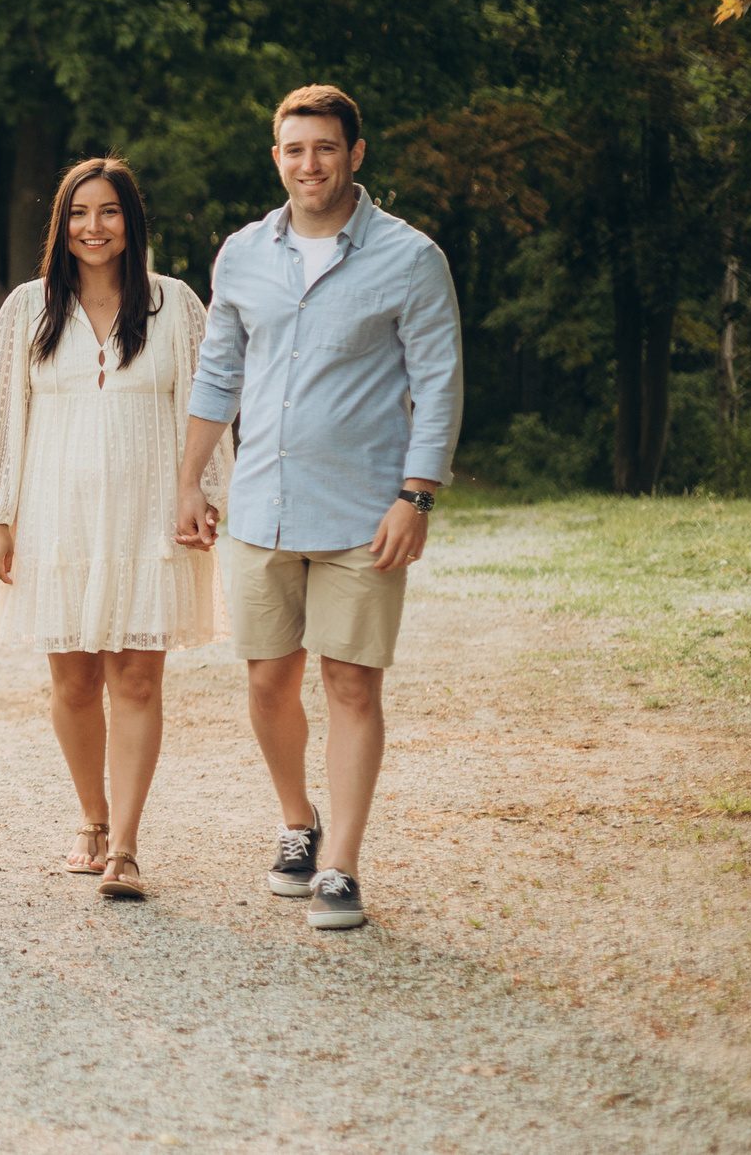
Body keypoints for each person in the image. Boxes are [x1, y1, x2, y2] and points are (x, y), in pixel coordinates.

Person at [177, 84, 462, 931]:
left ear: (355, 154)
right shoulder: (241, 255)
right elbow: (218, 373)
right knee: (267, 680)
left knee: (350, 682)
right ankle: (296, 821)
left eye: (326, 148)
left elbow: (438, 386)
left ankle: (341, 862)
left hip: (363, 512)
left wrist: (417, 496)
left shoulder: (411, 259)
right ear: (277, 157)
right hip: (261, 501)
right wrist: (190, 478)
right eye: (295, 149)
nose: (311, 164)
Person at [0, 158, 228, 900]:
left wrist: (204, 492)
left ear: (131, 220)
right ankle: (91, 815)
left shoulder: (173, 305)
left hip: (149, 514)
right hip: (57, 518)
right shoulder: (27, 309)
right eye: (80, 212)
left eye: (109, 211)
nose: (94, 226)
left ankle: (125, 844)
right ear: (63, 223)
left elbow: (206, 406)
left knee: (139, 675)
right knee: (75, 679)